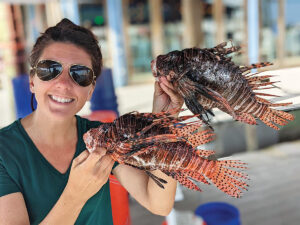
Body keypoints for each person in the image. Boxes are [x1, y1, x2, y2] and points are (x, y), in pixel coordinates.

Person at [0, 18, 184, 224]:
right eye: (49, 69)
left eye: (80, 74)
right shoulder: (4, 151)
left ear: (91, 90)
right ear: (32, 80)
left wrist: (165, 125)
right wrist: (75, 195)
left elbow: (158, 203)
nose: (63, 83)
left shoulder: (101, 137)